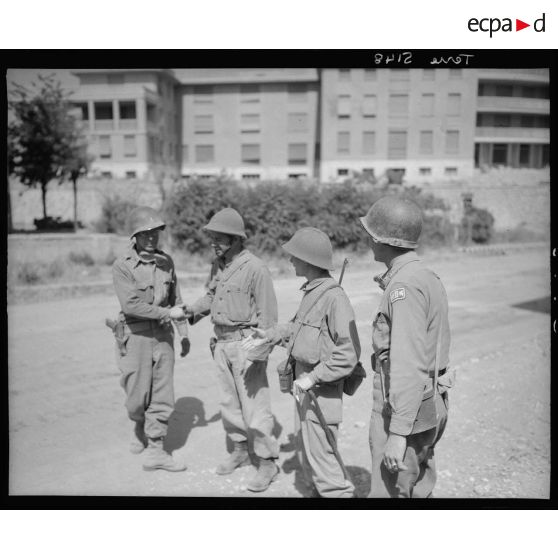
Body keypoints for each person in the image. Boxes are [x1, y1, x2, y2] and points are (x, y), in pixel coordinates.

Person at [243, 227, 360, 498]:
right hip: (305, 385)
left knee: (325, 465)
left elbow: (348, 352)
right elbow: (297, 328)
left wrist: (314, 377)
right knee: (308, 454)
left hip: (321, 390)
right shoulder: (313, 291)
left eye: (295, 256)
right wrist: (269, 335)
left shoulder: (334, 297)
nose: (291, 261)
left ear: (309, 260)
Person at [359, 196, 454, 498]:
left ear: (380, 239)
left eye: (370, 233)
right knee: (418, 484)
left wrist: (398, 433)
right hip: (428, 397)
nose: (368, 239)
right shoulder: (422, 275)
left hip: (405, 407)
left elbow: (407, 363)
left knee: (390, 491)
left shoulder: (405, 287)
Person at [183, 208, 280, 493]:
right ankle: (239, 449)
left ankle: (267, 462)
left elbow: (268, 316)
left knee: (256, 407)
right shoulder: (218, 264)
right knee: (229, 403)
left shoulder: (256, 268)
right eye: (212, 237)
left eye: (220, 238)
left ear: (237, 239)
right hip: (222, 343)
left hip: (245, 342)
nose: (214, 242)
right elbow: (212, 296)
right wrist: (190, 312)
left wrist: (259, 354)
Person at [111, 206, 190, 472]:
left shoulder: (166, 262)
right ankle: (139, 423)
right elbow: (131, 305)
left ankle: (156, 448)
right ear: (134, 237)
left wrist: (184, 333)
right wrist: (167, 313)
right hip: (135, 335)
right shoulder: (123, 266)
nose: (152, 238)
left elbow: (176, 300)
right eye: (146, 234)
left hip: (163, 335)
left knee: (162, 392)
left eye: (155, 232)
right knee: (135, 394)